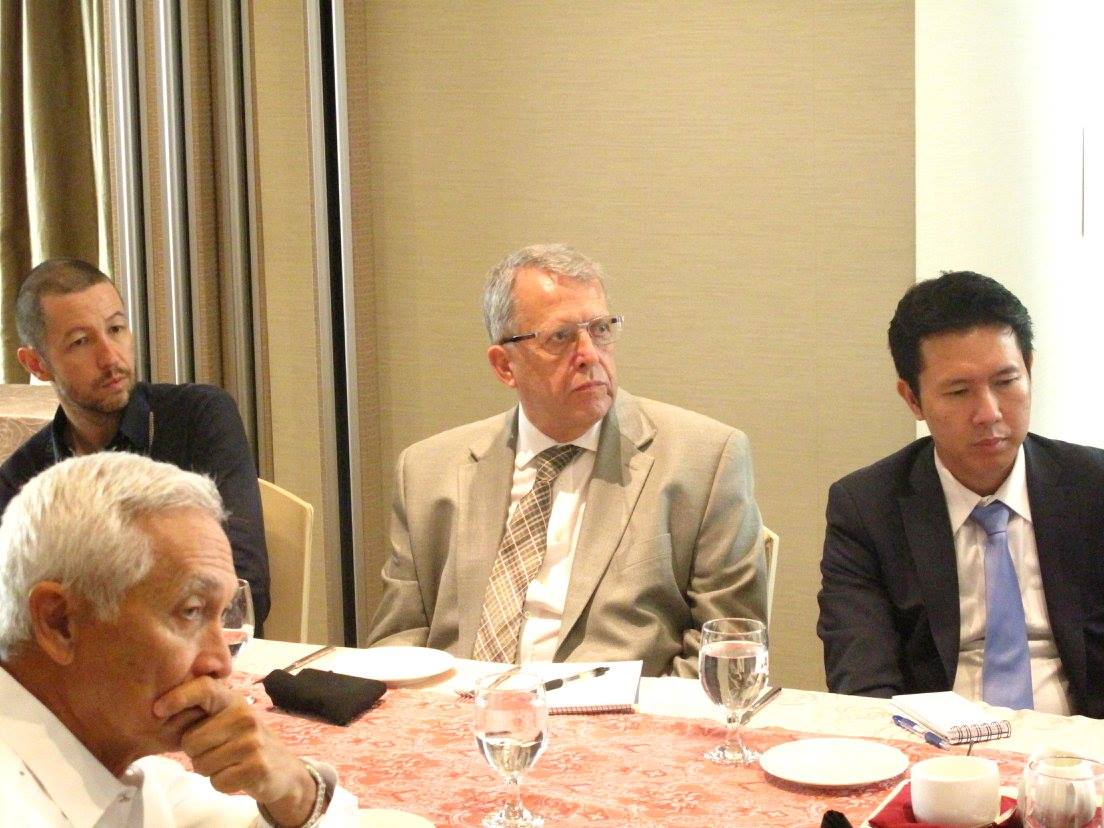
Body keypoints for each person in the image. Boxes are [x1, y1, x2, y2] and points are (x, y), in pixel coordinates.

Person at [367, 243, 766, 677]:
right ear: (504, 366)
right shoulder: (426, 471)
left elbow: (730, 655)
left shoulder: (704, 461)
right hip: (459, 707)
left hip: (621, 714)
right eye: (560, 337)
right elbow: (397, 644)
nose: (590, 355)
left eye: (601, 329)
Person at [0, 452, 356, 824]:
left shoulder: (121, 763)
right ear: (60, 623)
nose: (221, 663)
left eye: (221, 614)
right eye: (190, 611)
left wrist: (297, 791)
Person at [817, 271, 1104, 717]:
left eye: (1006, 381)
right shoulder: (867, 508)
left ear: (1029, 370)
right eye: (959, 391)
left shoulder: (1093, 488)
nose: (989, 413)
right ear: (912, 399)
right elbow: (863, 685)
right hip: (934, 747)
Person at [0, 258, 270, 629]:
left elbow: (244, 586)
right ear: (36, 363)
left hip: (204, 654)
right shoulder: (22, 480)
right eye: (80, 342)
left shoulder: (199, 418)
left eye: (116, 329)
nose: (111, 357)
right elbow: (17, 619)